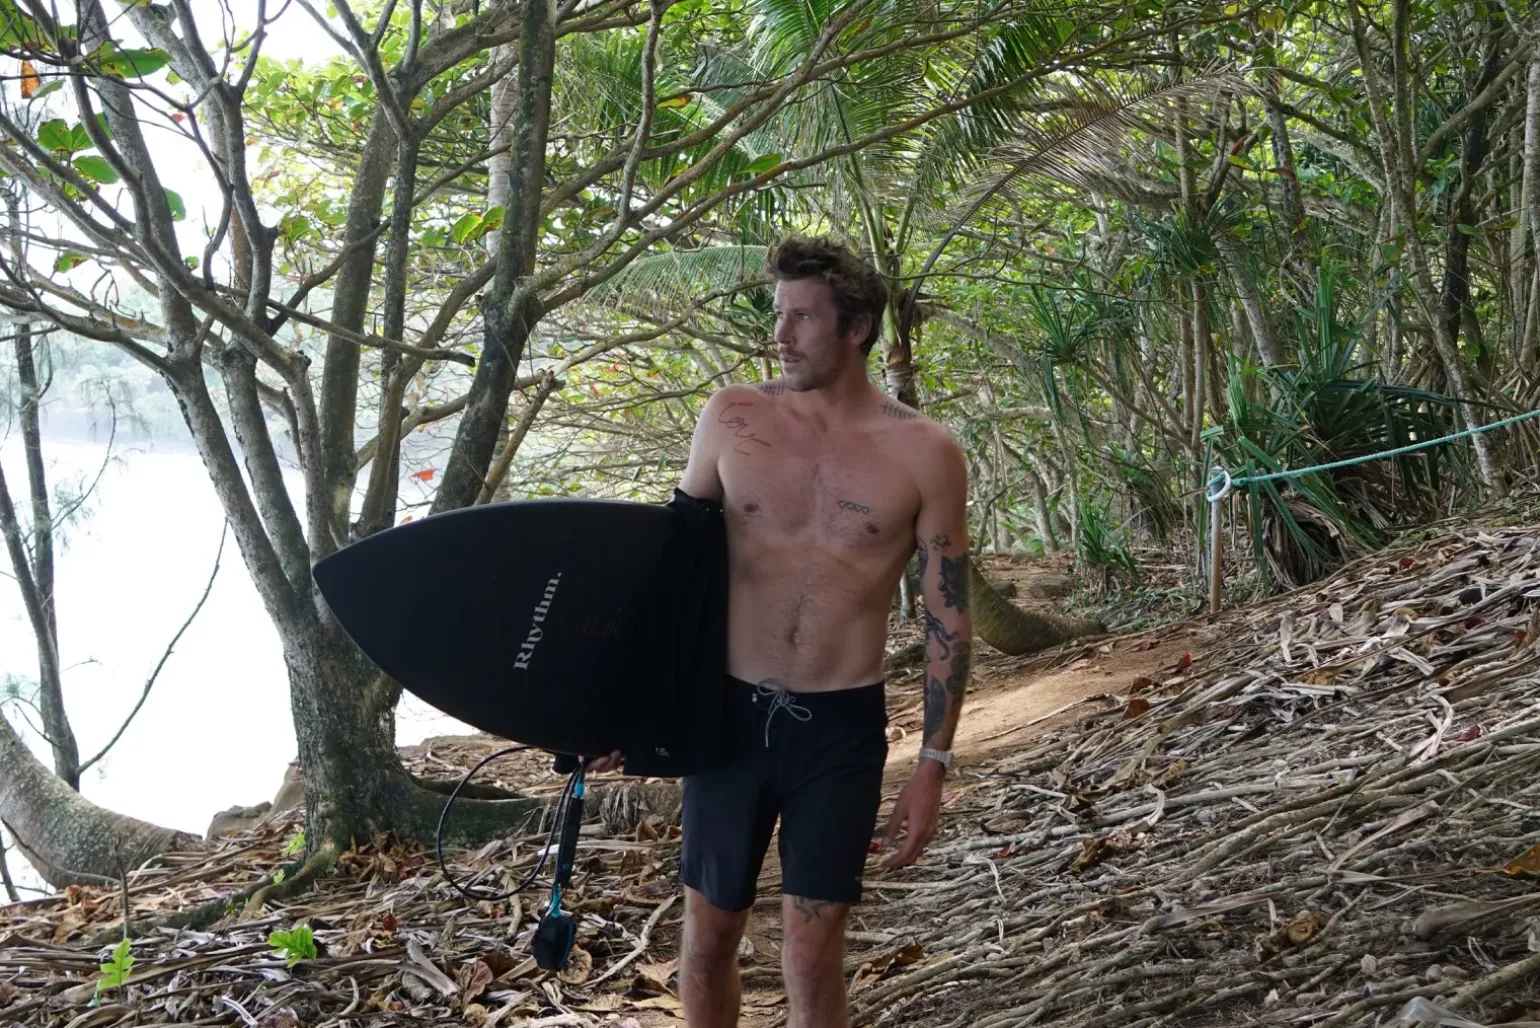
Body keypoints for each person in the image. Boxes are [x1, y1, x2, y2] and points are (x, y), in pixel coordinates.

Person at [594, 235, 972, 1028]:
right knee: (708, 938)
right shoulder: (733, 418)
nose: (780, 335)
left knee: (810, 953)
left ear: (856, 328)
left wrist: (932, 764)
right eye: (778, 315)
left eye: (802, 318)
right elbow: (672, 569)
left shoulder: (926, 453)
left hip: (839, 729)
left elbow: (947, 611)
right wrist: (626, 708)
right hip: (727, 717)